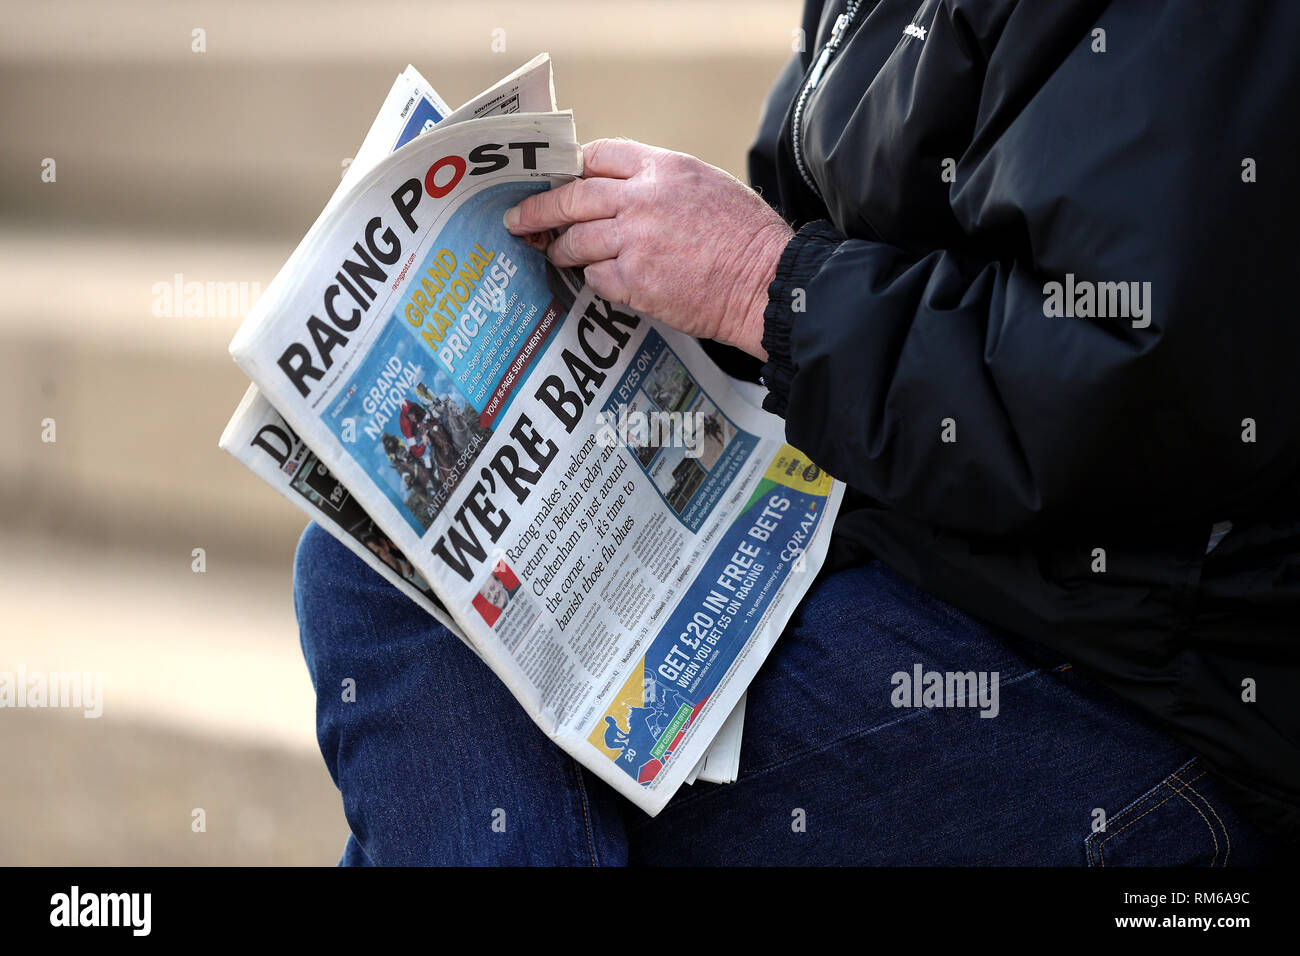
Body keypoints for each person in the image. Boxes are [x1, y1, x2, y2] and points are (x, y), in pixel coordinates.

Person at [294, 0, 1299, 864]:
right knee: (384, 567)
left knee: (469, 769)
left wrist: (762, 285)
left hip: (1153, 700)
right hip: (922, 560)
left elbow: (1129, 389)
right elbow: (814, 229)